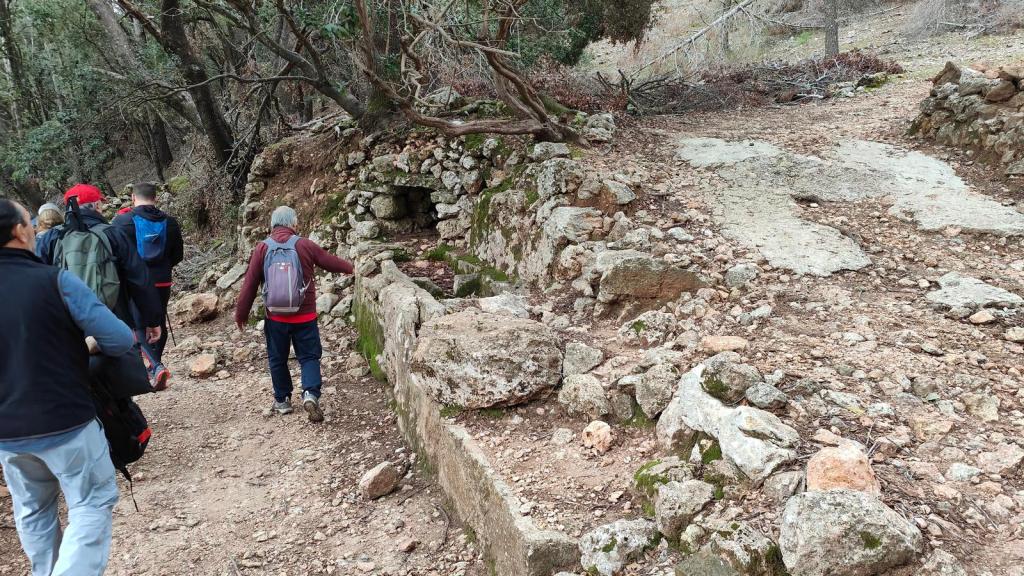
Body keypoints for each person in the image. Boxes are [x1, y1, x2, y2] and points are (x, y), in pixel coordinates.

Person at [0, 197, 136, 576]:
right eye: (28, 221)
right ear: (18, 231)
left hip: (7, 436)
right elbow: (120, 339)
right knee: (92, 502)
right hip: (67, 421)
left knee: (33, 511)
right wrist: (87, 345)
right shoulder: (55, 281)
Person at [235, 206, 354, 422]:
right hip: (305, 316)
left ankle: (282, 400)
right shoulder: (304, 245)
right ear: (292, 224)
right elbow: (329, 261)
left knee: (277, 358)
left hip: (275, 318)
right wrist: (351, 267)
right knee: (309, 356)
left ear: (272, 224)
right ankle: (310, 393)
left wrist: (241, 314)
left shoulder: (262, 248)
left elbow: (250, 284)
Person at [37, 184, 164, 379]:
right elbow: (139, 278)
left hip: (69, 325)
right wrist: (152, 320)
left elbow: (38, 282)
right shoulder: (112, 233)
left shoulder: (52, 238)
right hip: (114, 319)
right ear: (96, 205)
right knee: (118, 382)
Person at [112, 182, 184, 387]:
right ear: (156, 197)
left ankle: (154, 366)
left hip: (134, 282)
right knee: (158, 321)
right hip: (162, 280)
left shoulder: (122, 221)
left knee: (137, 324)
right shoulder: (170, 222)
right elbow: (178, 254)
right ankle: (156, 364)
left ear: (133, 198)